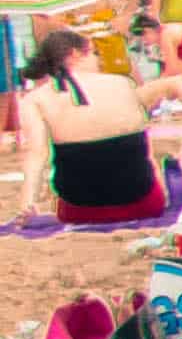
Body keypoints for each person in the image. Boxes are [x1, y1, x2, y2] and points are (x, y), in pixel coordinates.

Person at [13, 26, 171, 223]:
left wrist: (27, 204)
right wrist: (162, 191)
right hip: (143, 204)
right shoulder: (122, 83)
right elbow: (144, 150)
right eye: (94, 53)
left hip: (80, 210)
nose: (99, 59)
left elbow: (36, 154)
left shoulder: (35, 99)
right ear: (75, 54)